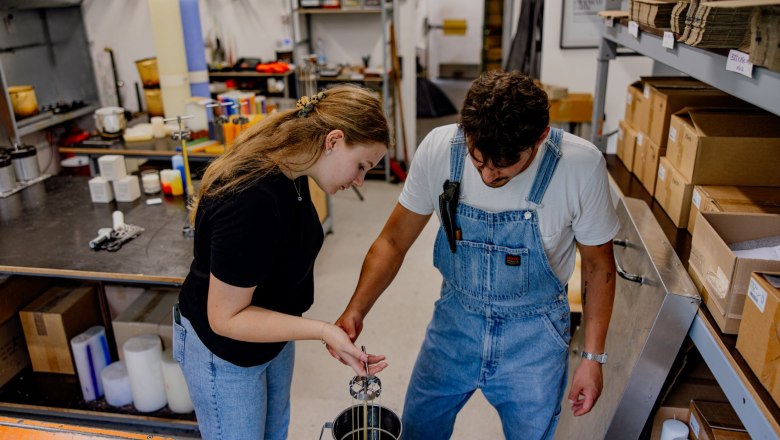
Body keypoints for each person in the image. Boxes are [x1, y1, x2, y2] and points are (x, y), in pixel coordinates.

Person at [333, 71, 619, 439]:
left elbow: (599, 267)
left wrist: (593, 359)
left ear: (541, 137)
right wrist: (356, 310)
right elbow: (392, 242)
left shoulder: (580, 166)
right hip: (455, 323)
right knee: (418, 431)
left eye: (502, 169)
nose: (486, 175)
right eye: (478, 160)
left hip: (534, 339)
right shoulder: (439, 149)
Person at [175, 85, 390, 440]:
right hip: (225, 353)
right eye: (361, 166)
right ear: (333, 141)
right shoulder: (251, 199)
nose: (358, 181)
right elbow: (225, 317)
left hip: (271, 338)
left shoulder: (296, 175)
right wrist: (323, 331)